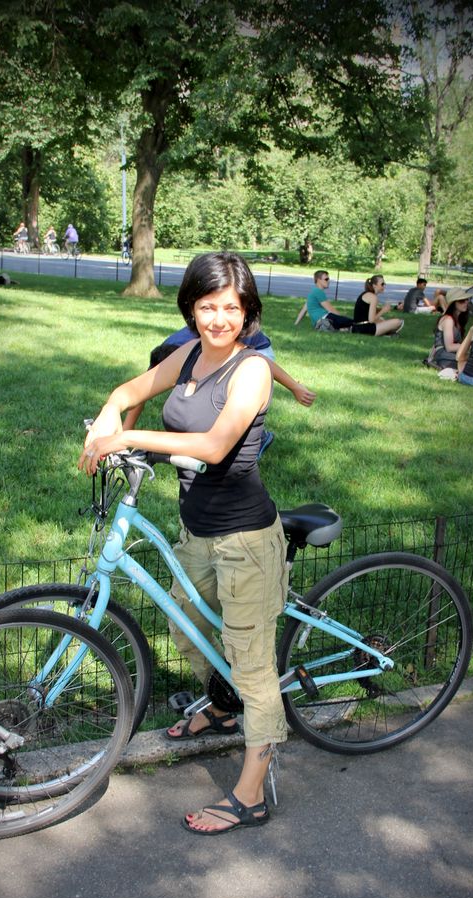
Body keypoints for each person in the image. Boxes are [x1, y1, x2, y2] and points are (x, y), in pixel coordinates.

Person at [79, 252, 288, 836]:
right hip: (198, 530)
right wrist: (109, 415)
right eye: (207, 306)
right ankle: (223, 708)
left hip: (246, 540)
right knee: (185, 627)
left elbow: (216, 446)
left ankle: (251, 795)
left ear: (247, 312)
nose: (219, 319)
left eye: (231, 308)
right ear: (191, 308)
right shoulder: (191, 353)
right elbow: (130, 389)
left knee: (253, 665)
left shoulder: (252, 369)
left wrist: (129, 438)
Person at [122, 323, 316, 460]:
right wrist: (124, 430)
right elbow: (143, 391)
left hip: (258, 349)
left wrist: (295, 387)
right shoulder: (169, 353)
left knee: (215, 402)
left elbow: (262, 362)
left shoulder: (202, 348)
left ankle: (257, 437)